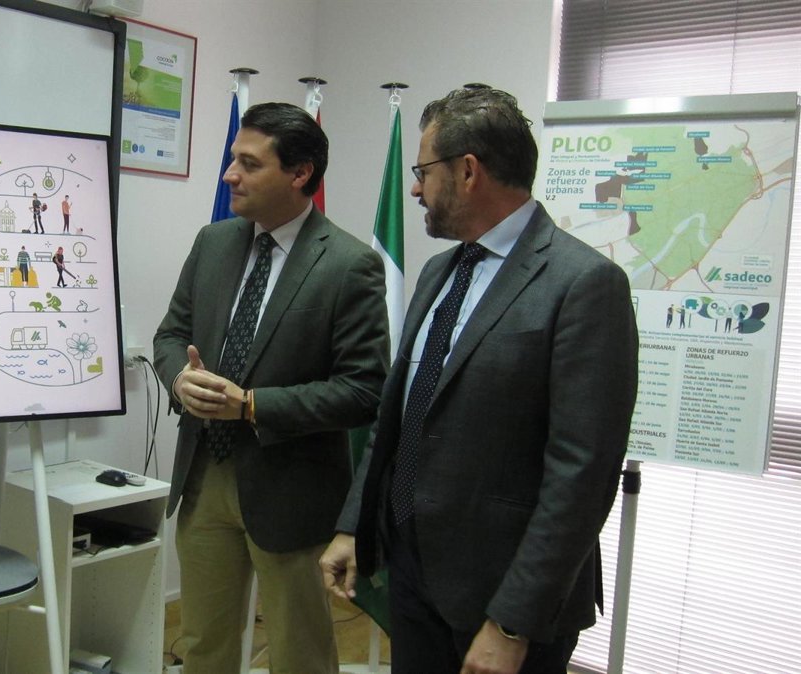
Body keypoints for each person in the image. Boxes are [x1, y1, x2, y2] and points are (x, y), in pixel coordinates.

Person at [319, 87, 638, 674]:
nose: (415, 189)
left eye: (423, 172)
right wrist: (353, 527)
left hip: (503, 598)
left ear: (468, 172)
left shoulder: (584, 284)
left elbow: (583, 475)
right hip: (412, 575)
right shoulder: (438, 271)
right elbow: (399, 417)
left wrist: (513, 622)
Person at [154, 102, 390, 673]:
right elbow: (171, 335)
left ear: (300, 173)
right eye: (233, 159)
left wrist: (253, 405)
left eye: (249, 164)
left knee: (299, 652)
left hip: (293, 490)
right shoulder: (212, 242)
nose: (229, 174)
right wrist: (180, 379)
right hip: (204, 476)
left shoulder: (349, 264)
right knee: (203, 642)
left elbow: (363, 390)